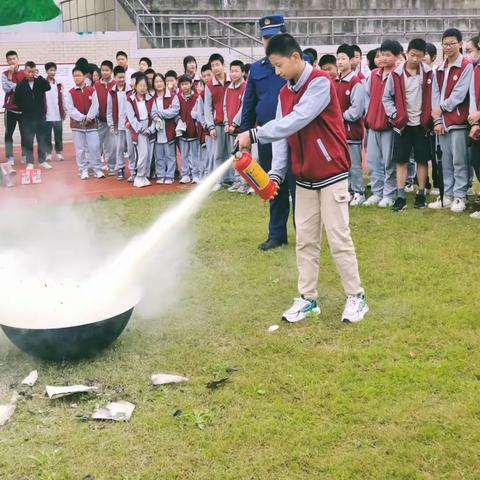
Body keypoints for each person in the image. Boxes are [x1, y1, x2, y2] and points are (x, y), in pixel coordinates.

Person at [237, 33, 368, 324]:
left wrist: (255, 134)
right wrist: (276, 175)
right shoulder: (285, 91)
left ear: (296, 57)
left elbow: (297, 119)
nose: (277, 71)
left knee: (338, 237)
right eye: (273, 66)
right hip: (304, 177)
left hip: (332, 173)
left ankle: (356, 297)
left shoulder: (321, 82)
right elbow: (284, 136)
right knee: (305, 241)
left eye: (279, 65)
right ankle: (308, 299)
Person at [240, 14, 296, 251]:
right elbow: (249, 103)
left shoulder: (298, 62)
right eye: (265, 38)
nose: (268, 41)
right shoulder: (256, 69)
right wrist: (244, 134)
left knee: (298, 186)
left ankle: (304, 233)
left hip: (295, 135)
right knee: (273, 185)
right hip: (265, 137)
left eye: (273, 36)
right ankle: (276, 234)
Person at [382, 38, 433, 211]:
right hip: (402, 124)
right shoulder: (396, 74)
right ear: (407, 53)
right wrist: (395, 114)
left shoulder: (428, 73)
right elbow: (386, 98)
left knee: (422, 160)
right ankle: (401, 195)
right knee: (401, 161)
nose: (415, 59)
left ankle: (420, 194)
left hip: (422, 124)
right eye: (412, 55)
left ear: (424, 56)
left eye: (419, 56)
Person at [429, 28, 473, 212]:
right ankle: (446, 195)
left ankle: (460, 196)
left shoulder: (466, 66)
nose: (447, 47)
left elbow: (459, 95)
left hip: (458, 121)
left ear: (460, 44)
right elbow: (435, 94)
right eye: (445, 44)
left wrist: (441, 108)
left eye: (451, 43)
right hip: (442, 122)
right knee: (445, 160)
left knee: (459, 161)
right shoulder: (439, 68)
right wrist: (437, 118)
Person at [363, 39, 401, 207]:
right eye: (381, 55)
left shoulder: (398, 75)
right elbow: (368, 98)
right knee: (372, 161)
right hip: (373, 124)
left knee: (389, 161)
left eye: (388, 55)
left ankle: (389, 193)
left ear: (397, 56)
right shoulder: (373, 74)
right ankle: (377, 192)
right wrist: (368, 117)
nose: (384, 58)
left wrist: (394, 119)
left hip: (388, 126)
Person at [335, 44, 366, 206]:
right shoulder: (335, 81)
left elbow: (356, 111)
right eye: (338, 59)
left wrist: (339, 117)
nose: (339, 62)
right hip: (338, 133)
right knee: (342, 165)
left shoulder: (356, 82)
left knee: (354, 165)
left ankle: (359, 192)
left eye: (343, 58)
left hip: (351, 132)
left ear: (351, 60)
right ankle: (347, 190)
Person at [64, 65, 104, 179]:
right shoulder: (70, 92)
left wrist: (89, 117)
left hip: (91, 125)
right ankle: (83, 170)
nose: (77, 78)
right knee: (80, 149)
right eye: (74, 76)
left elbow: (95, 105)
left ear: (84, 76)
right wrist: (82, 118)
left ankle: (97, 169)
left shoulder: (91, 90)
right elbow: (70, 109)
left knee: (94, 147)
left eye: (79, 75)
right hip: (78, 125)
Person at [13, 61, 51, 170]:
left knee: (42, 139)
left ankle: (42, 161)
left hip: (40, 117)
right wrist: (25, 109)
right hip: (27, 118)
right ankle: (29, 162)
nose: (31, 74)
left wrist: (40, 77)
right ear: (25, 71)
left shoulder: (39, 82)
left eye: (33, 72)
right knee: (28, 140)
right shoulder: (20, 85)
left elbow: (48, 87)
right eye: (29, 72)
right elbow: (16, 100)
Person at [204, 53, 233, 190]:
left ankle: (232, 179)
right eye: (213, 66)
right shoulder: (209, 86)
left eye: (217, 65)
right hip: (218, 124)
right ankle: (218, 181)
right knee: (218, 154)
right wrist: (210, 126)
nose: (215, 68)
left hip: (233, 125)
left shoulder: (232, 80)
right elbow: (207, 108)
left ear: (223, 65)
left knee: (233, 152)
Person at [126, 74, 155, 188]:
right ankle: (139, 176)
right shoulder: (130, 99)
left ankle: (144, 176)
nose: (143, 88)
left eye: (145, 85)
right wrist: (141, 129)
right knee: (143, 153)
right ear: (135, 86)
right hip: (138, 129)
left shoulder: (149, 98)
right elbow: (131, 117)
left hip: (148, 127)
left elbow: (153, 113)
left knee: (148, 153)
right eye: (140, 85)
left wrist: (151, 129)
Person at [223, 60, 248, 193]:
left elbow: (244, 108)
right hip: (231, 130)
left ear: (243, 72)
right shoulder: (228, 89)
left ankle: (245, 183)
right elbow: (225, 107)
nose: (233, 73)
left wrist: (234, 124)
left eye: (236, 71)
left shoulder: (246, 87)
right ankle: (237, 181)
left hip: (241, 130)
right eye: (231, 71)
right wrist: (226, 123)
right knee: (235, 156)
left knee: (243, 156)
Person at [151, 73, 180, 184]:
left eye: (160, 81)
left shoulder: (172, 96)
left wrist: (161, 113)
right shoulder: (152, 98)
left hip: (169, 129)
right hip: (157, 131)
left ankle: (170, 175)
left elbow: (175, 110)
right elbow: (151, 112)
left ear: (164, 82)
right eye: (156, 82)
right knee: (159, 156)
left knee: (170, 155)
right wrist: (155, 116)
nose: (158, 84)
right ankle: (161, 174)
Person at [107, 66, 134, 181]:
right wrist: (111, 124)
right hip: (118, 124)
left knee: (131, 148)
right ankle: (121, 169)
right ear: (114, 77)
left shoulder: (130, 90)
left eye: (123, 77)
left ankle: (133, 170)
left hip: (129, 124)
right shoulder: (112, 92)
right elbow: (109, 109)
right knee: (119, 148)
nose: (121, 79)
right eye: (119, 77)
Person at [2, 50, 25, 165]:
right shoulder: (5, 74)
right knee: (8, 133)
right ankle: (10, 156)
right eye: (9, 59)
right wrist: (10, 76)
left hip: (24, 110)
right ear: (7, 61)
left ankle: (25, 155)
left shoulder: (25, 73)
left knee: (25, 133)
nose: (12, 61)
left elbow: (23, 90)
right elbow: (7, 89)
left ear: (18, 60)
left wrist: (14, 86)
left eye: (14, 58)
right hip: (10, 109)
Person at [94, 60, 116, 175]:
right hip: (100, 121)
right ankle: (96, 167)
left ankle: (112, 166)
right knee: (96, 145)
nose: (104, 72)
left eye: (107, 70)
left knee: (111, 146)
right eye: (103, 70)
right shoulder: (96, 85)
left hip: (112, 122)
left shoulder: (115, 84)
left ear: (111, 71)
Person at [177, 74, 200, 184]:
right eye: (182, 84)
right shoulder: (178, 97)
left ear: (191, 84)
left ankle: (196, 174)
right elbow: (176, 112)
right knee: (184, 155)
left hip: (194, 132)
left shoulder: (196, 97)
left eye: (186, 84)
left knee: (195, 155)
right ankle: (185, 174)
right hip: (182, 132)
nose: (184, 86)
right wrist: (178, 121)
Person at [44, 62, 65, 162]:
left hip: (57, 113)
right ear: (47, 71)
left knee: (58, 134)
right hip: (47, 114)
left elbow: (62, 99)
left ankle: (59, 152)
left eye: (54, 70)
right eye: (50, 70)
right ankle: (48, 153)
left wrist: (63, 111)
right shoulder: (43, 84)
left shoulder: (58, 84)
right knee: (47, 134)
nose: (52, 72)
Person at [469, 48, 480, 219]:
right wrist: (475, 121)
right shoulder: (477, 69)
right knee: (476, 161)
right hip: (477, 123)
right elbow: (473, 95)